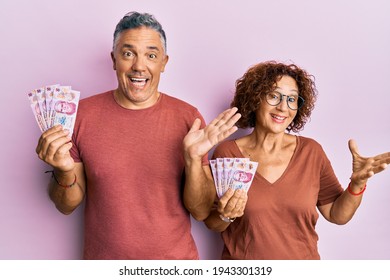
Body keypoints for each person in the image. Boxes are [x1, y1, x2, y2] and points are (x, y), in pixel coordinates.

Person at [35, 11, 240, 260]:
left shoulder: (189, 118)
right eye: (128, 53)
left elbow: (200, 211)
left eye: (151, 55)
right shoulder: (80, 116)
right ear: (114, 59)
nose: (139, 66)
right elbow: (66, 205)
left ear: (164, 62)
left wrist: (193, 159)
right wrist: (63, 170)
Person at [204, 61, 390, 259]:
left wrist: (357, 183)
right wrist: (226, 214)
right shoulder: (228, 153)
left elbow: (337, 214)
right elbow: (213, 223)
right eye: (274, 96)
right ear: (255, 98)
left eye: (292, 99)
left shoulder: (311, 152)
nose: (284, 107)